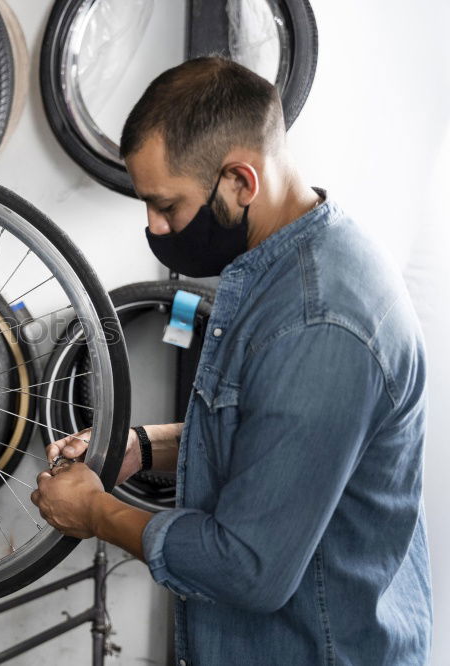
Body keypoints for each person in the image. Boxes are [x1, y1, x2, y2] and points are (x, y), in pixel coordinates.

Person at [30, 57, 431, 664]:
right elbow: (274, 439)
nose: (154, 226)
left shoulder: (316, 321)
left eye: (167, 205)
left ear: (242, 182)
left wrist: (95, 512)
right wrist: (146, 445)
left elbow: (247, 566)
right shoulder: (290, 265)